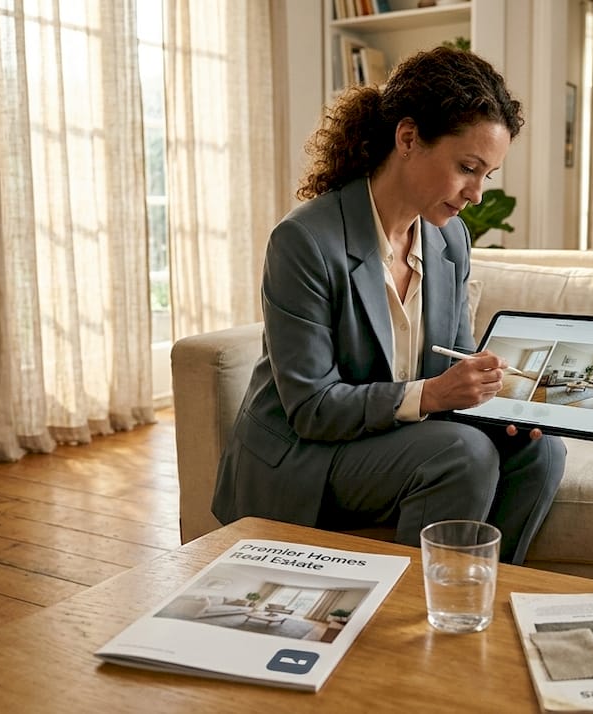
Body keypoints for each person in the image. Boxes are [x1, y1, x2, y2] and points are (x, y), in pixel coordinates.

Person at [212, 47, 565, 565]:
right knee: (460, 454)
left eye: (487, 175)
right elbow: (312, 409)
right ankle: (420, 620)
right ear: (407, 139)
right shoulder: (305, 241)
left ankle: (475, 598)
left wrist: (501, 402)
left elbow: (453, 361)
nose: (476, 194)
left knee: (540, 451)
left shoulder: (450, 242)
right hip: (305, 455)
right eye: (467, 167)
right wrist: (434, 394)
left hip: (388, 437)